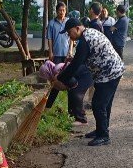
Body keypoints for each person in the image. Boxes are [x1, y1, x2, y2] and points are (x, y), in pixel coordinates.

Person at [52, 18, 124, 147]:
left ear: (77, 28)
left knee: (98, 104)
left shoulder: (84, 40)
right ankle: (101, 130)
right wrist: (72, 62)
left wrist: (60, 78)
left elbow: (75, 66)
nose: (69, 36)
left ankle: (104, 136)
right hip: (111, 71)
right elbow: (82, 58)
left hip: (109, 73)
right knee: (104, 104)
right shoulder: (89, 33)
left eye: (69, 32)